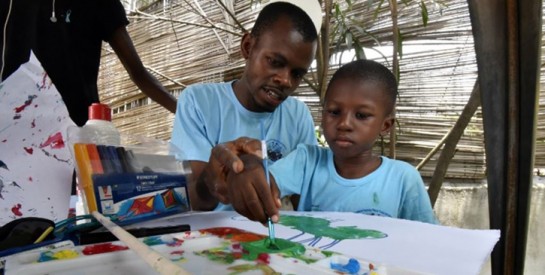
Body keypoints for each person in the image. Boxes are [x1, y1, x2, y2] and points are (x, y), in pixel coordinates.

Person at [220, 59, 439, 225]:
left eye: (361, 115)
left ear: (385, 126)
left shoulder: (403, 179)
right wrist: (249, 169)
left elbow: (427, 238)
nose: (344, 123)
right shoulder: (307, 161)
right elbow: (266, 182)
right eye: (334, 112)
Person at [170, 0, 323, 211]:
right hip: (217, 238)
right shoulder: (199, 102)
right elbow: (193, 198)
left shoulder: (298, 115)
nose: (286, 80)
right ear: (248, 47)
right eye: (275, 62)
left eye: (297, 74)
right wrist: (212, 178)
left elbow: (304, 200)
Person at [0, 0, 177, 127]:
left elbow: (139, 74)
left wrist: (186, 115)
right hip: (12, 133)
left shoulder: (98, 3)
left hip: (75, 135)